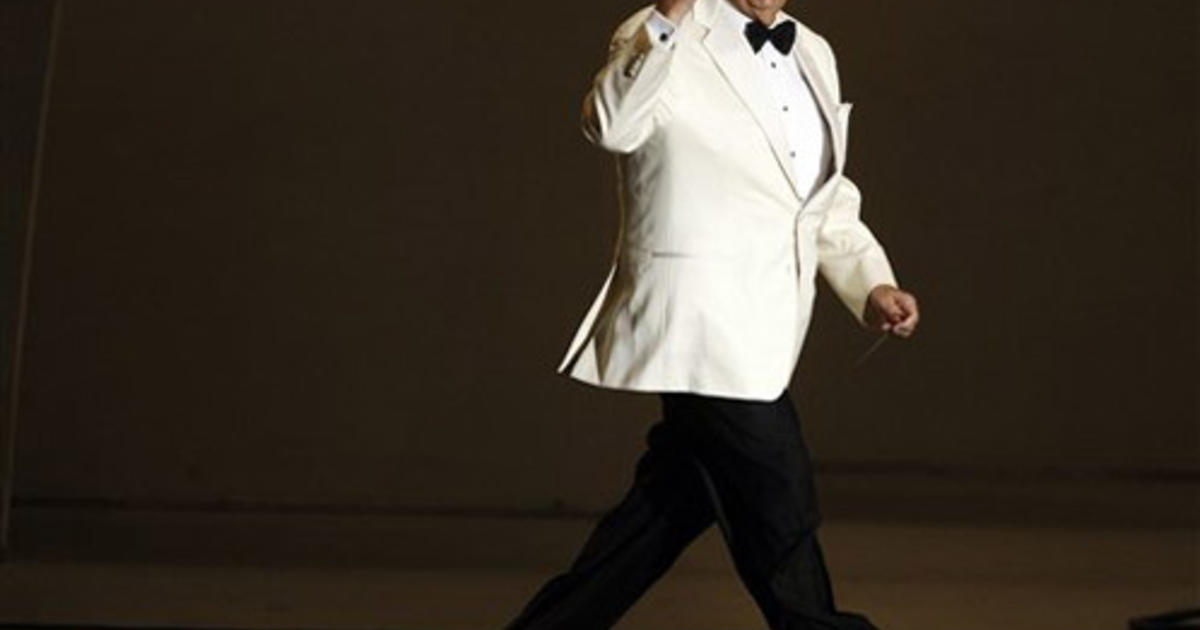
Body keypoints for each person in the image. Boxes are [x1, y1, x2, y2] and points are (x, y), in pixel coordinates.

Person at [503, 0, 919, 628]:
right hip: (696, 320)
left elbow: (819, 197)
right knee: (779, 501)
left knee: (661, 514)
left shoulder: (812, 49)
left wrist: (871, 284)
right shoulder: (663, 33)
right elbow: (611, 126)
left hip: (767, 325)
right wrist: (669, 15)